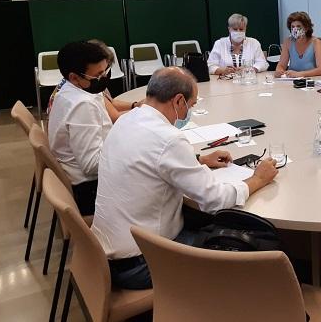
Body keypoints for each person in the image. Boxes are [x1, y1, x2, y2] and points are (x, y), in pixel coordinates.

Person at [92, 67, 278, 289]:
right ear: (178, 101)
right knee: (254, 246)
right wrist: (258, 179)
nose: (190, 110)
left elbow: (151, 160)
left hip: (107, 254)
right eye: (191, 105)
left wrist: (198, 159)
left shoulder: (127, 120)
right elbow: (215, 200)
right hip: (144, 262)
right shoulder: (169, 139)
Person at [47, 41, 113, 215]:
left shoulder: (70, 91)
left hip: (84, 178)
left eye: (106, 71)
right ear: (74, 77)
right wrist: (130, 150)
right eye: (98, 76)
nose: (104, 78)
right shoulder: (82, 104)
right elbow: (91, 165)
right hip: (91, 189)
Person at [275, 11, 321, 78]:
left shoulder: (316, 42)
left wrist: (300, 74)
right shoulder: (288, 42)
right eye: (292, 27)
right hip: (292, 82)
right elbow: (281, 65)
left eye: (298, 26)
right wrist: (280, 71)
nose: (295, 29)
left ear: (306, 28)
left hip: (311, 82)